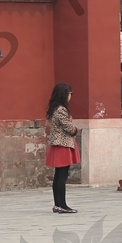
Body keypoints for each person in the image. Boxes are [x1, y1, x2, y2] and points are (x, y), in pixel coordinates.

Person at [45, 82, 79, 214]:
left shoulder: (55, 109)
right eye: (70, 94)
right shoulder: (62, 110)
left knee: (58, 175)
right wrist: (76, 129)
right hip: (63, 144)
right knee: (62, 176)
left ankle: (58, 204)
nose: (71, 96)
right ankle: (62, 204)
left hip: (58, 144)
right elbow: (69, 128)